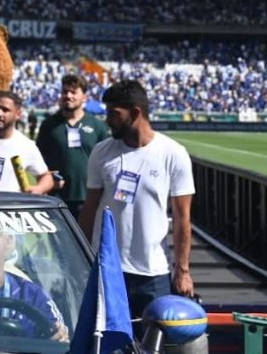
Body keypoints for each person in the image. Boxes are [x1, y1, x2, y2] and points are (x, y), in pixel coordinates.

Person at [79, 80, 195, 320]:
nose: (108, 119)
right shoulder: (101, 152)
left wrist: (182, 270)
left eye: (114, 113)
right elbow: (89, 209)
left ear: (135, 113)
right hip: (108, 269)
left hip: (153, 273)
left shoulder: (173, 154)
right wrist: (80, 256)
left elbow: (183, 219)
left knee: (153, 343)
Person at [36, 74, 110, 219]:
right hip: (56, 198)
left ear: (84, 97)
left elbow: (106, 162)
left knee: (87, 241)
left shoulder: (97, 126)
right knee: (58, 242)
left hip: (89, 197)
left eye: (73, 92)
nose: (68, 96)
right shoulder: (49, 125)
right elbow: (38, 161)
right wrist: (47, 180)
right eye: (65, 92)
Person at [0, 92, 53, 194]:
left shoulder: (26, 145)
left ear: (18, 114)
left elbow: (46, 176)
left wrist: (38, 189)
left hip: (9, 207)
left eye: (5, 110)